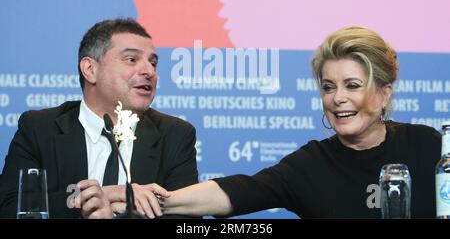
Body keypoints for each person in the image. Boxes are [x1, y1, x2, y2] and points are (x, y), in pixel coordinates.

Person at [157, 26, 442, 218]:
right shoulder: (312, 164)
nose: (337, 98)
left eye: (352, 85)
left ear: (384, 93)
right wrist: (149, 201)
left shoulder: (428, 147)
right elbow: (237, 192)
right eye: (329, 87)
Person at [0, 18, 198, 219]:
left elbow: (186, 221)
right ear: (90, 70)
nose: (149, 72)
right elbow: (11, 207)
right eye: (131, 59)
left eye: (153, 63)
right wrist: (104, 195)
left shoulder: (175, 135)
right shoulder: (40, 129)